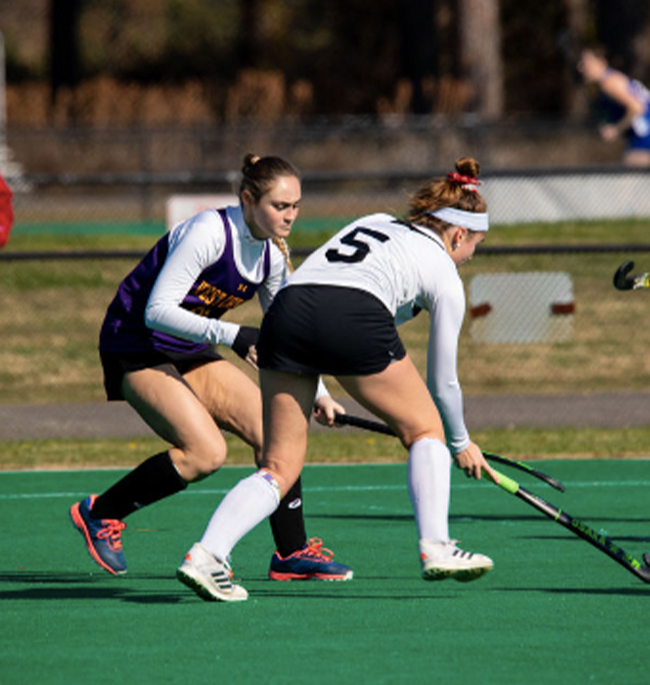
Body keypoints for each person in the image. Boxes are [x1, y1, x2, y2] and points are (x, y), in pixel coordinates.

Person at [176, 157, 500, 602]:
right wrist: (460, 442)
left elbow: (335, 290)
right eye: (474, 246)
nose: (470, 256)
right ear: (458, 234)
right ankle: (437, 547)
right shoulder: (445, 272)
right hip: (351, 314)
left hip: (286, 312)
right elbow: (443, 380)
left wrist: (321, 389)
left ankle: (207, 555)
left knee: (278, 467)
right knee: (425, 430)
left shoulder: (376, 221)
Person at [69, 153, 352, 582]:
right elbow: (156, 310)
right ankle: (100, 512)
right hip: (134, 343)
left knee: (276, 432)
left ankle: (291, 554)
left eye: (295, 206)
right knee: (205, 453)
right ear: (248, 199)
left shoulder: (272, 256)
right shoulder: (208, 233)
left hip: (188, 345)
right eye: (280, 206)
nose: (290, 216)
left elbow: (288, 339)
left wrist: (322, 396)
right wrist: (235, 336)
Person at [577, 46, 650, 167]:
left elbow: (638, 108)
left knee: (627, 181)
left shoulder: (609, 82)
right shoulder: (609, 80)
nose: (581, 68)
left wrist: (616, 129)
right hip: (641, 136)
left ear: (601, 61)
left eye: (586, 63)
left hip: (645, 137)